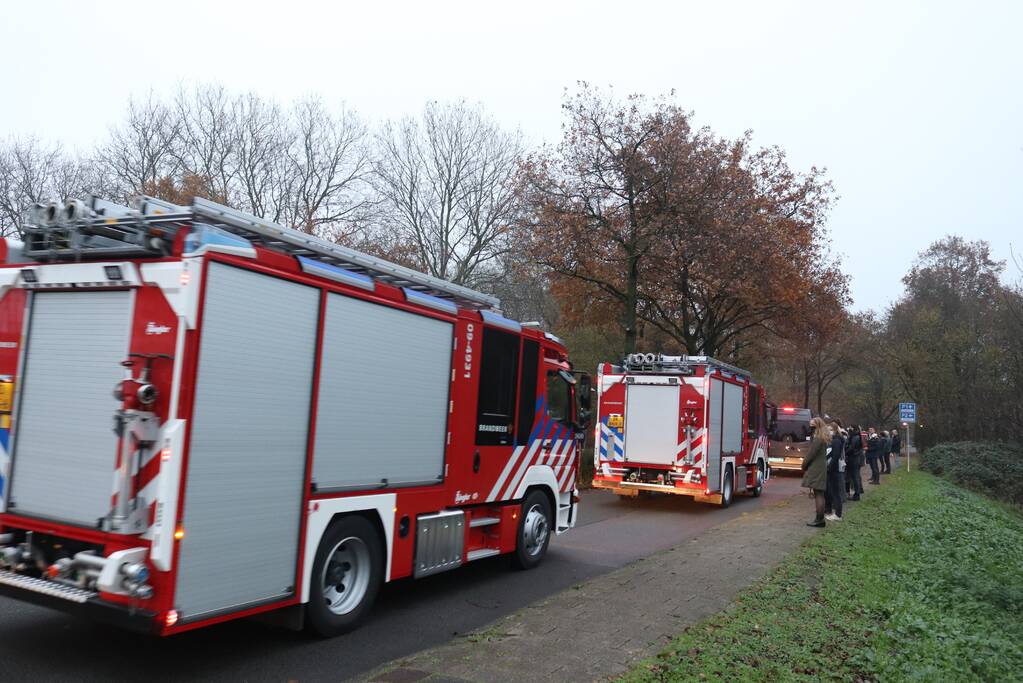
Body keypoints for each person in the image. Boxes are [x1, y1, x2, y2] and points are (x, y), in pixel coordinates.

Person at [802, 417, 830, 527]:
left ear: (817, 426)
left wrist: (804, 464)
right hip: (820, 467)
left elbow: (811, 454)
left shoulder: (818, 438)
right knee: (820, 493)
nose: (810, 427)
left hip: (816, 467)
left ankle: (819, 519)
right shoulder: (822, 437)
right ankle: (820, 518)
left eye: (812, 425)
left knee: (818, 493)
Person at [824, 423, 846, 522]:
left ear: (834, 430)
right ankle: (836, 513)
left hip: (834, 470)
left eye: (829, 430)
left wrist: (830, 467)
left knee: (835, 493)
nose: (828, 432)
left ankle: (838, 514)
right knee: (832, 491)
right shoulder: (833, 440)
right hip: (831, 469)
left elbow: (835, 456)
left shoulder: (836, 441)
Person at [845, 423, 864, 501]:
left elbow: (852, 448)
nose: (849, 429)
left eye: (850, 428)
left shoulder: (855, 437)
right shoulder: (856, 436)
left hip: (853, 459)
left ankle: (857, 494)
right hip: (855, 458)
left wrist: (845, 451)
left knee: (855, 477)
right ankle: (856, 492)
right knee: (854, 476)